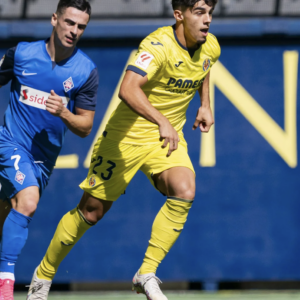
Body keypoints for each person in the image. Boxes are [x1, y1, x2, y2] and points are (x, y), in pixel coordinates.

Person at [25, 1, 220, 300]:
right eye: (199, 13)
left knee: (185, 189)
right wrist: (162, 120)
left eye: (210, 13)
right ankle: (43, 275)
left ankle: (146, 273)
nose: (207, 20)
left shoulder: (210, 45)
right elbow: (128, 88)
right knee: (91, 212)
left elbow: (204, 67)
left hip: (163, 139)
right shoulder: (157, 46)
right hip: (125, 138)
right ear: (179, 15)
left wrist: (204, 104)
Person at [0, 1, 97, 299]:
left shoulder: (85, 70)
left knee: (2, 224)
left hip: (42, 160)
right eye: (69, 23)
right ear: (55, 19)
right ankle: (5, 284)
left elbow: (86, 126)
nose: (74, 31)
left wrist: (65, 114)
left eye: (81, 26)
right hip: (10, 144)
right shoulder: (23, 53)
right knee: (28, 202)